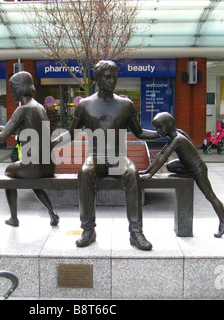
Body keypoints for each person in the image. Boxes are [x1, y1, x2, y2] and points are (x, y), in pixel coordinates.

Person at [53, 60, 160, 251]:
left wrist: (162, 134)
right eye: (107, 77)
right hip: (96, 157)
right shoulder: (84, 105)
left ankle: (136, 232)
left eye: (114, 77)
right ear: (97, 79)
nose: (112, 80)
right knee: (85, 172)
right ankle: (88, 230)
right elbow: (71, 133)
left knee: (132, 172)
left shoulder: (126, 105)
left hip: (119, 157)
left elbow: (139, 133)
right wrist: (51, 143)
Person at [0, 71, 59, 227]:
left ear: (19, 89)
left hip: (34, 166)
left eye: (11, 89)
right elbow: (14, 130)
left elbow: (2, 137)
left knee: (9, 174)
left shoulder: (22, 109)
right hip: (48, 166)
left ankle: (14, 218)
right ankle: (52, 213)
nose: (10, 94)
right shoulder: (39, 107)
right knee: (31, 180)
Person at [139, 112, 224, 238]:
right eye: (156, 128)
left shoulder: (178, 139)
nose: (158, 131)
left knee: (210, 196)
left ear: (169, 125)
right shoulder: (176, 134)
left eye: (160, 127)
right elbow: (161, 155)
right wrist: (146, 171)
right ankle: (189, 173)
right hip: (187, 166)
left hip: (199, 170)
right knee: (170, 166)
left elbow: (163, 156)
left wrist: (150, 174)